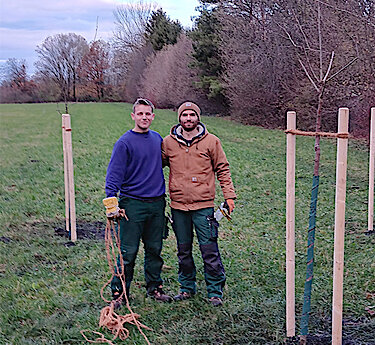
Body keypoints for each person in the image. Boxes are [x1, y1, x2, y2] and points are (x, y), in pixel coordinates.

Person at [162, 101, 236, 306]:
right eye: (184, 115)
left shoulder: (211, 142)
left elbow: (223, 169)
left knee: (209, 249)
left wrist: (229, 196)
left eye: (192, 115)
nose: (188, 119)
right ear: (179, 118)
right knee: (183, 250)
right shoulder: (168, 143)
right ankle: (186, 288)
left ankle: (215, 290)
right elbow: (154, 167)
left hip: (204, 206)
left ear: (198, 118)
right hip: (178, 207)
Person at [104, 98, 172, 308]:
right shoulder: (124, 143)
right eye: (140, 114)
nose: (144, 117)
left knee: (154, 248)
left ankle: (155, 288)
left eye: (148, 114)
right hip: (132, 205)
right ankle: (119, 293)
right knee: (128, 252)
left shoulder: (157, 139)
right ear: (133, 116)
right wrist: (111, 203)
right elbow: (114, 174)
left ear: (153, 116)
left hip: (156, 203)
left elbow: (163, 162)